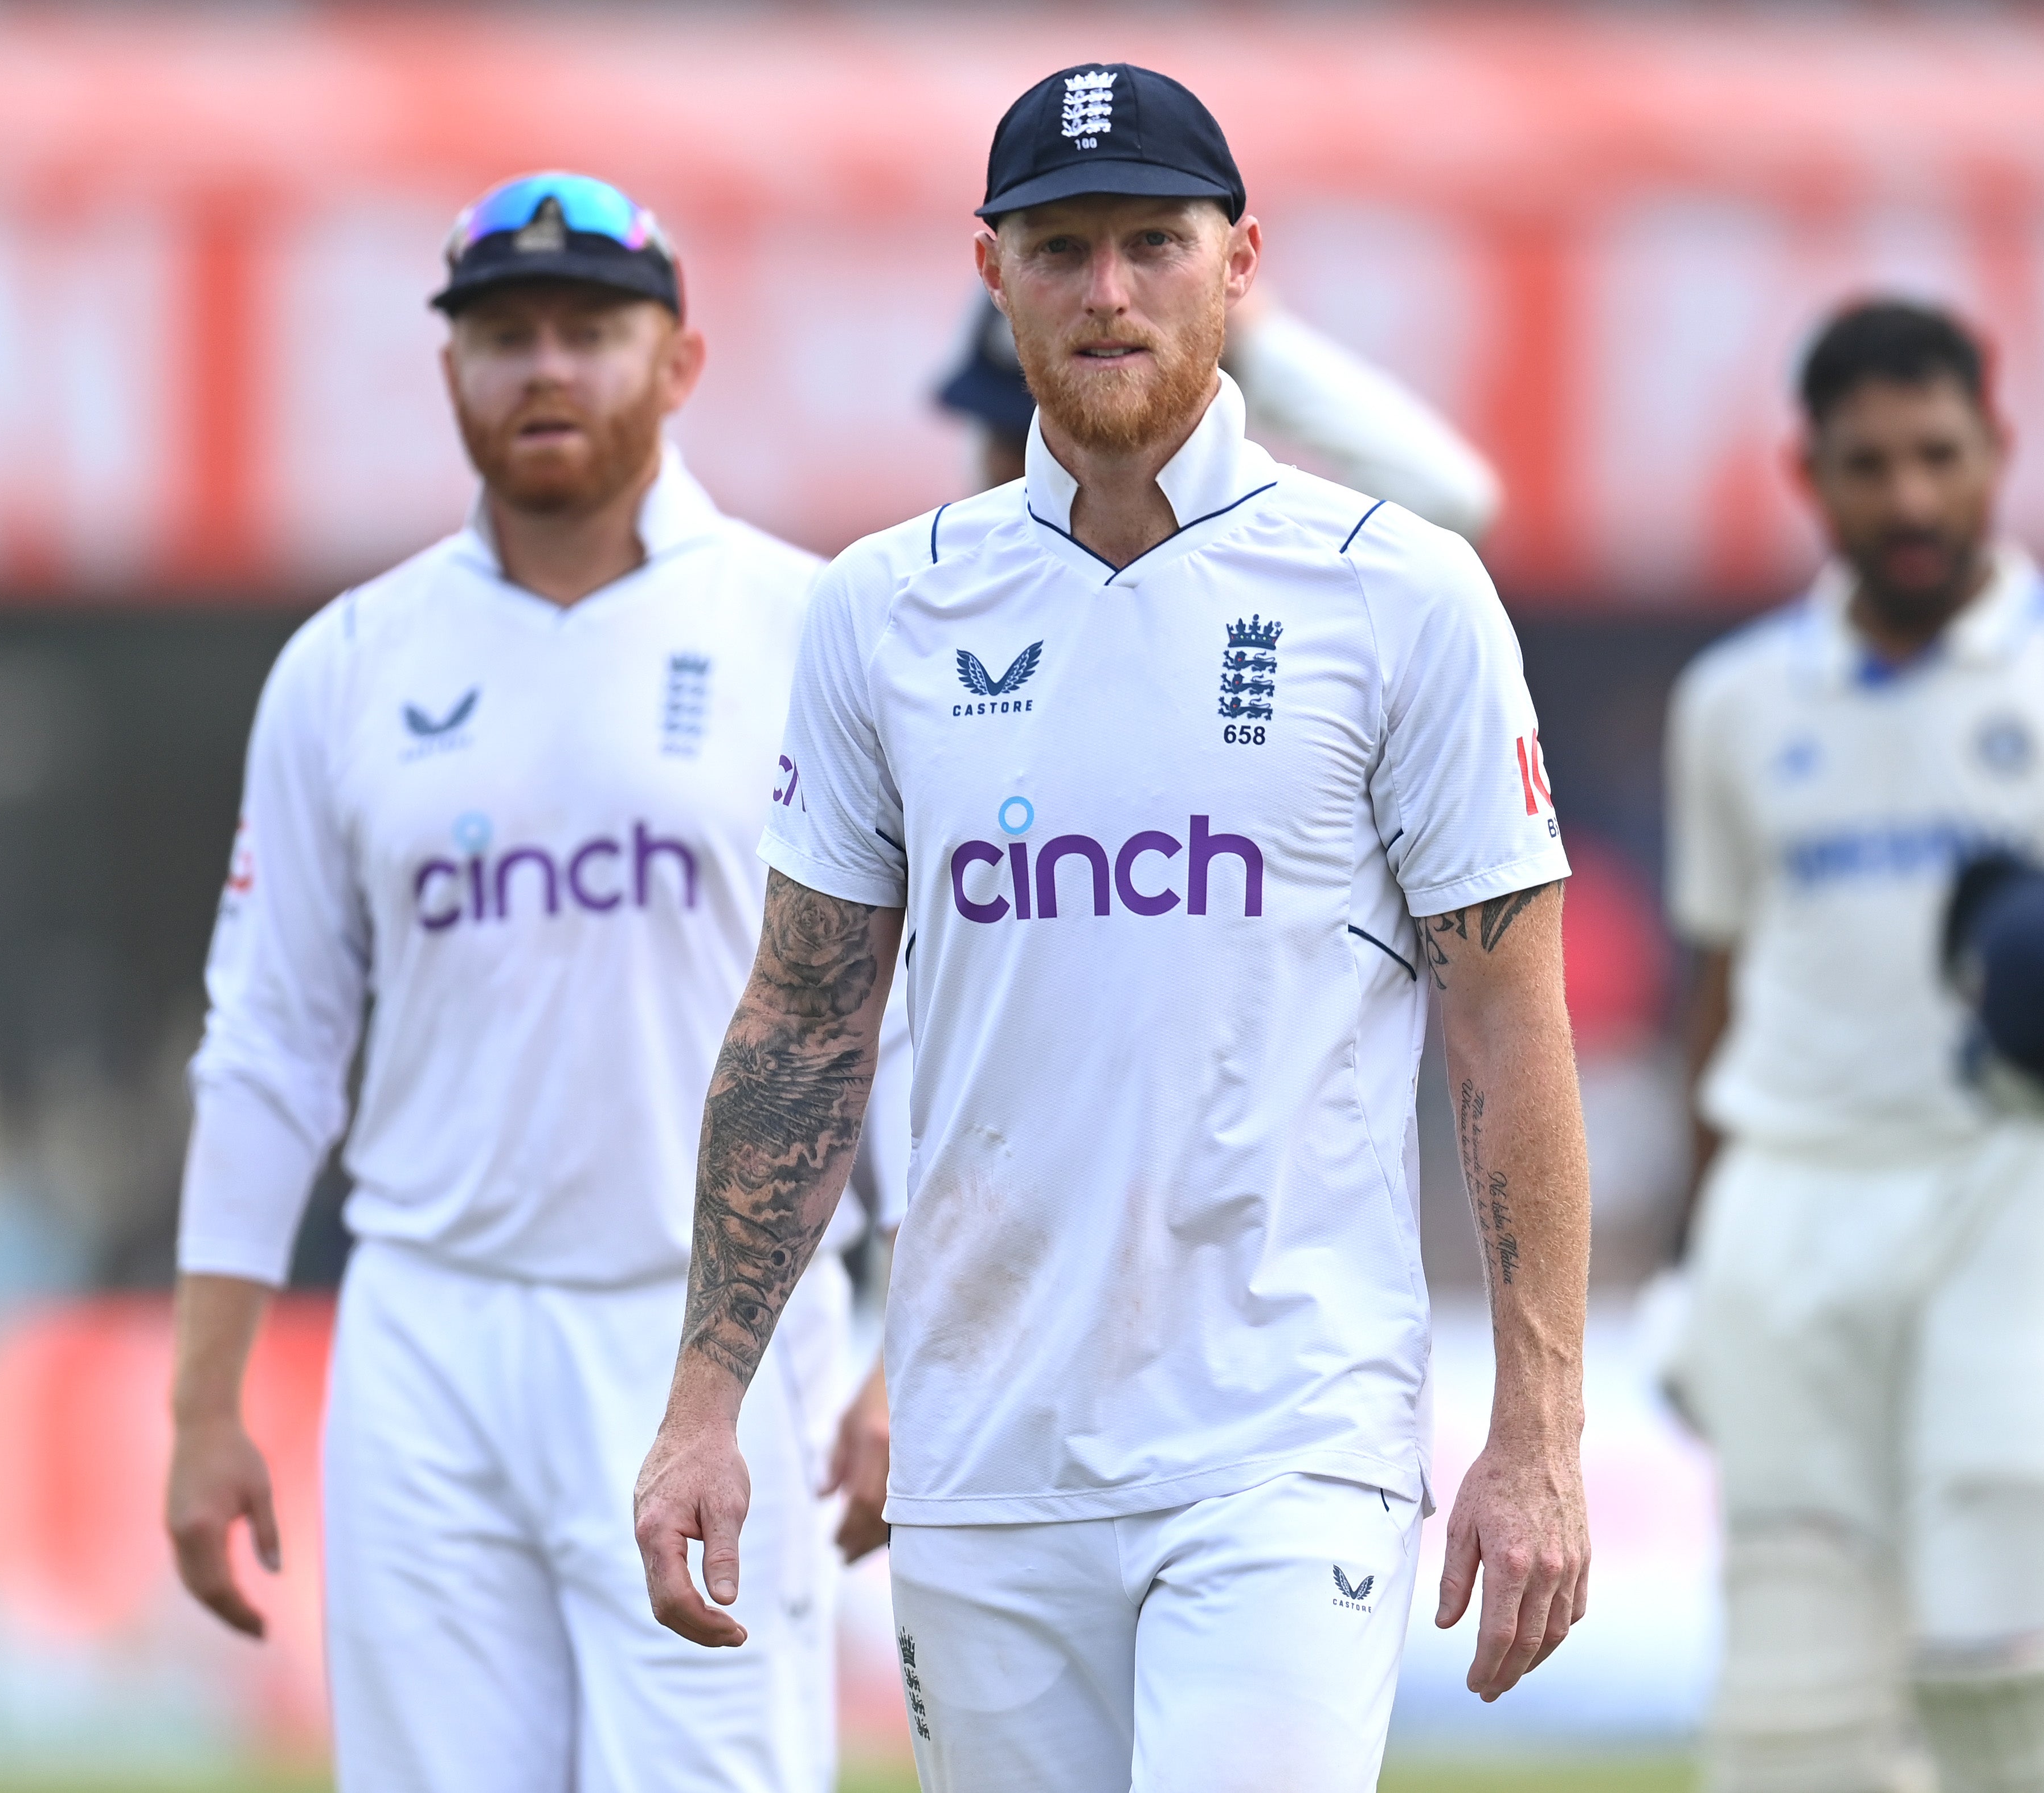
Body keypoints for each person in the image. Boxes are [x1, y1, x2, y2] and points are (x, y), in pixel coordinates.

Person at [634, 63, 1593, 1793]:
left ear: (1238, 262)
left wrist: (1537, 1429)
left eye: (1150, 241)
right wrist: (706, 1397)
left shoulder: (1397, 590)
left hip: (1281, 1440)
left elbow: (1507, 1023)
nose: (1106, 291)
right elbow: (798, 1021)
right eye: (1059, 247)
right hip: (982, 1446)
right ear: (987, 273)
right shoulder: (881, 609)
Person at [162, 171, 906, 1793]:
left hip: (713, 1327)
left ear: (681, 362)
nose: (547, 369)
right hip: (431, 1327)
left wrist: (910, 1340)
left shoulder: (816, 627)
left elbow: (910, 1027)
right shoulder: (349, 665)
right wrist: (201, 1405)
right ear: (449, 375)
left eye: (591, 330)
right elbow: (270, 1047)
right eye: (504, 337)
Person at [1663, 298, 2044, 1793]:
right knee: (1792, 1710)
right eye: (1870, 465)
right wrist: (1693, 1242)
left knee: (2013, 1674)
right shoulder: (1731, 702)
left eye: (1940, 455)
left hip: (2027, 1168)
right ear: (1811, 475)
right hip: (1793, 1184)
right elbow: (1722, 984)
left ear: (1999, 449)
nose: (1910, 499)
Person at [933, 282, 1503, 537]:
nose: (1050, 457)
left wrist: (1248, 346)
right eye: (1017, 433)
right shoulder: (950, 592)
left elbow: (1448, 497)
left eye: (1101, 431)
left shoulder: (1261, 570)